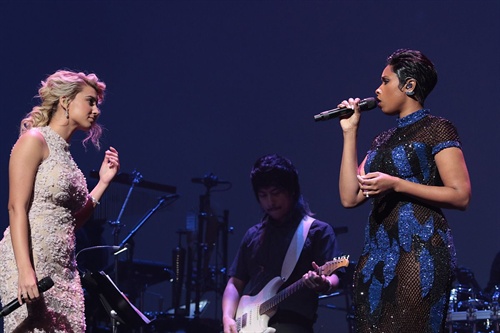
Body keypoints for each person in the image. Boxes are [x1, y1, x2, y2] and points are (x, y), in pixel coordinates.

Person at [336, 49, 471, 332]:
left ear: (409, 85)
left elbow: (460, 194)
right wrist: (350, 132)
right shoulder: (381, 140)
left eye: (385, 81)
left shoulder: (438, 129)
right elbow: (350, 197)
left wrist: (396, 184)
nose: (377, 89)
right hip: (376, 255)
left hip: (420, 252)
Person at [0, 70, 120, 332]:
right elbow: (15, 207)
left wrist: (103, 183)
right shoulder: (34, 141)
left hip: (64, 270)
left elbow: (71, 223)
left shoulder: (67, 158)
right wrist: (25, 271)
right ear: (66, 101)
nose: (96, 110)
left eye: (97, 103)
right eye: (90, 101)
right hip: (31, 260)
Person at [222, 154, 343, 333]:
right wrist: (227, 317)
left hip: (293, 325)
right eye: (263, 195)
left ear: (292, 190)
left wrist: (324, 283)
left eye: (276, 193)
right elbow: (234, 283)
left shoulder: (317, 231)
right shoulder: (252, 235)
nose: (270, 202)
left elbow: (335, 276)